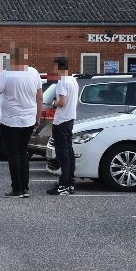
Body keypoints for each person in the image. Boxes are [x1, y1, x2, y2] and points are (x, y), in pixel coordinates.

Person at [0, 44, 43, 198]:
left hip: (10, 121)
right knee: (23, 153)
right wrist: (38, 117)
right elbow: (39, 97)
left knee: (13, 155)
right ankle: (25, 188)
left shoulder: (6, 74)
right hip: (29, 120)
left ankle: (16, 189)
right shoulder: (34, 73)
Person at [46, 57, 79, 196]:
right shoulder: (73, 80)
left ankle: (63, 186)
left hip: (61, 121)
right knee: (69, 152)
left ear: (58, 67)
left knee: (62, 154)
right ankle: (70, 183)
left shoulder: (62, 81)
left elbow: (62, 102)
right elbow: (74, 101)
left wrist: (54, 103)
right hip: (70, 119)